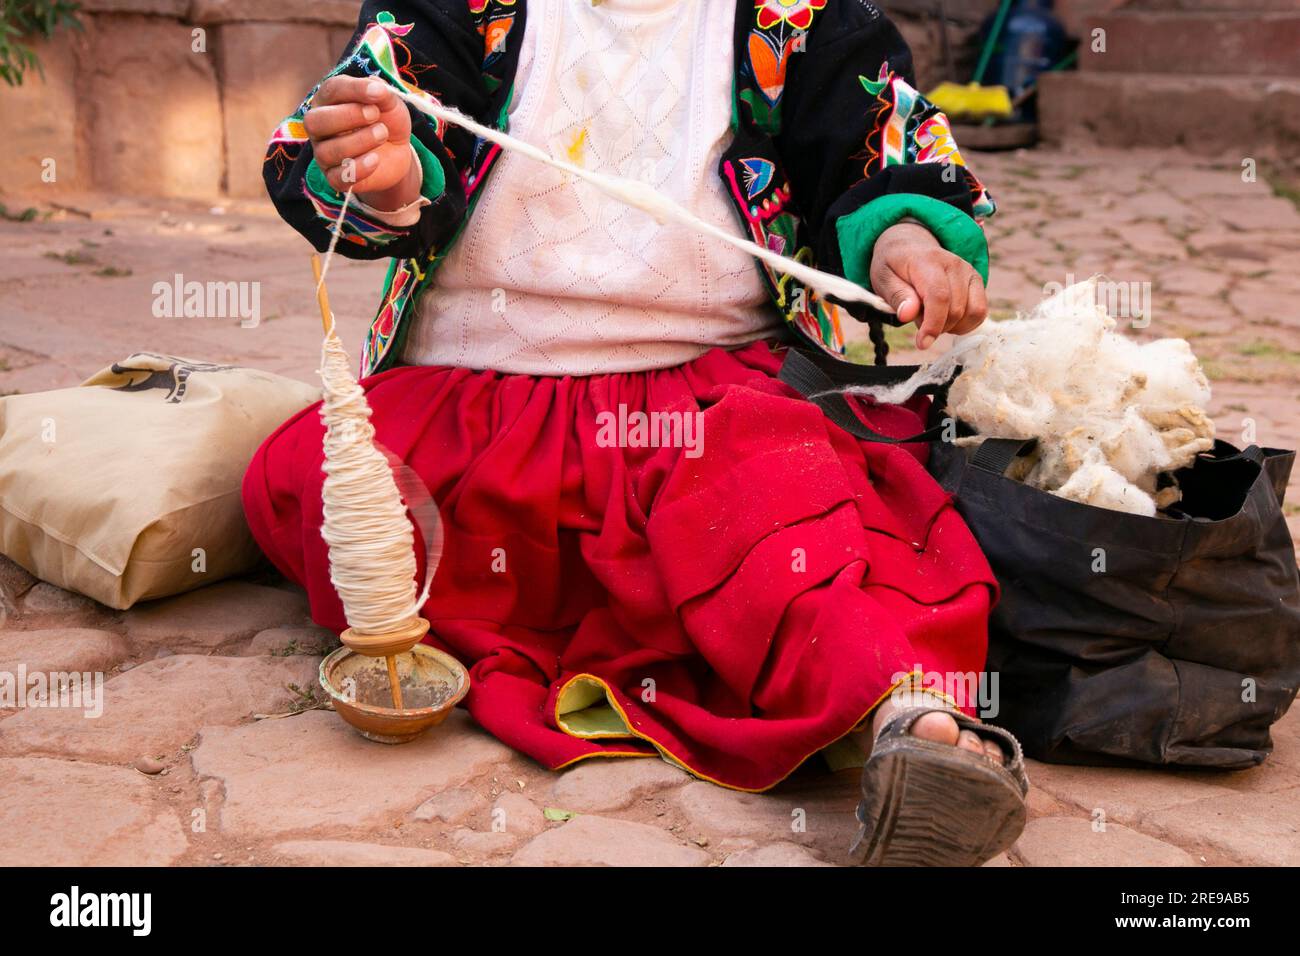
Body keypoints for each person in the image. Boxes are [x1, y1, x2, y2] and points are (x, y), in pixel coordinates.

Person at [245, 0, 1028, 865]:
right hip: (473, 406)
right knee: (311, 478)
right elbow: (365, 130)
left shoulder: (797, 15)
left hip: (706, 404)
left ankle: (905, 720)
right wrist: (387, 173)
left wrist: (904, 240)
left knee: (779, 504)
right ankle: (678, 618)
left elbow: (874, 154)